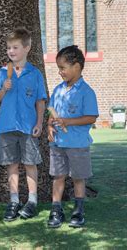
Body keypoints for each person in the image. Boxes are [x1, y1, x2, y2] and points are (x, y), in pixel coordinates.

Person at [0, 27, 47, 221]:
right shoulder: (1, 73)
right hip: (6, 127)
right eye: (8, 48)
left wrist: (39, 122)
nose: (11, 51)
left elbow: (40, 101)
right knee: (11, 165)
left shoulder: (35, 74)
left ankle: (32, 201)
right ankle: (14, 201)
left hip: (28, 127)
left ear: (27, 47)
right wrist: (4, 89)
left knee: (30, 163)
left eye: (15, 47)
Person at [47, 45, 99, 228]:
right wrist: (49, 127)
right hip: (58, 144)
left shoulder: (86, 92)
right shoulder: (58, 90)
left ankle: (78, 211)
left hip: (77, 144)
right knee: (58, 176)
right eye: (59, 68)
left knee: (78, 178)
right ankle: (56, 210)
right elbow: (52, 113)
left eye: (63, 68)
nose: (60, 72)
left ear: (76, 67)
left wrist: (67, 122)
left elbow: (91, 117)